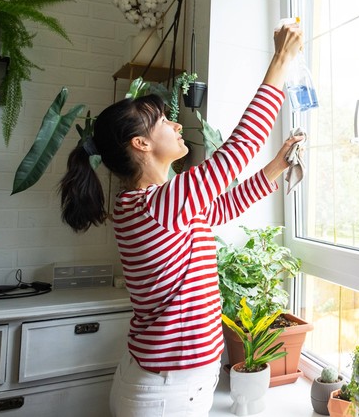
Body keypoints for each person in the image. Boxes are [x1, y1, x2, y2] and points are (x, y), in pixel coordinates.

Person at [58, 23, 304, 416]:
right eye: (163, 122)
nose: (176, 124)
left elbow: (221, 209)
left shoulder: (148, 204)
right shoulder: (157, 204)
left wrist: (277, 165)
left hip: (167, 383)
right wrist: (282, 58)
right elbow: (240, 147)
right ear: (141, 144)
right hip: (166, 392)